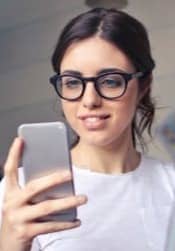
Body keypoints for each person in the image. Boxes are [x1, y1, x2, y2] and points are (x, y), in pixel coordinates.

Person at [0, 7, 175, 251]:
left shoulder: (171, 184)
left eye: (110, 81)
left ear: (144, 85)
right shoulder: (21, 193)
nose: (89, 100)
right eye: (73, 82)